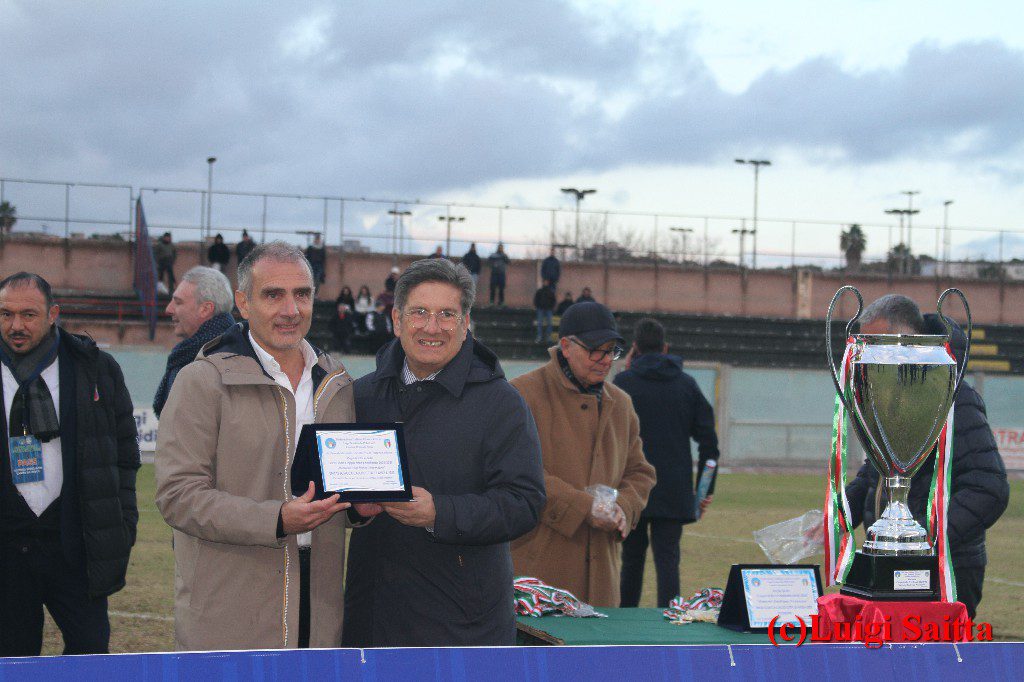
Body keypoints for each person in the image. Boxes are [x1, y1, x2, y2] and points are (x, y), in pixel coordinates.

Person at [156, 242, 365, 651]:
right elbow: (178, 496)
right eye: (273, 295)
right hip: (230, 610)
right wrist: (277, 519)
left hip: (319, 607)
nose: (291, 309)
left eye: (301, 294)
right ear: (243, 303)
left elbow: (336, 488)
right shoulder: (202, 381)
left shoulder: (337, 382)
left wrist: (358, 508)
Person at [342, 258, 545, 647]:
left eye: (446, 314)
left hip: (463, 625)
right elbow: (333, 490)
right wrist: (355, 509)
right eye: (419, 312)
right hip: (373, 618)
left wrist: (440, 513)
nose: (431, 327)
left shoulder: (501, 403)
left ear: (465, 324)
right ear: (397, 319)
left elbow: (524, 503)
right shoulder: (360, 395)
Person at [844, 294, 1009, 619]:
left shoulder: (955, 397)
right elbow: (876, 474)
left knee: (925, 652)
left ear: (907, 339)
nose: (867, 354)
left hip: (943, 572)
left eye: (876, 344)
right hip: (889, 565)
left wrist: (919, 540)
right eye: (864, 345)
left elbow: (988, 488)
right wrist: (835, 516)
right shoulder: (888, 391)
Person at [0, 273, 140, 656]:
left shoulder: (95, 368)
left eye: (28, 314)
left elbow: (125, 454)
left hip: (74, 544)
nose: (16, 325)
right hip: (8, 550)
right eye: (6, 314)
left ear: (53, 315)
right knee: (13, 660)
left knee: (90, 652)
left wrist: (123, 524)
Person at [510, 302, 655, 606]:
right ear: (565, 346)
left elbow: (640, 472)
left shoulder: (622, 403)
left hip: (603, 576)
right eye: (595, 351)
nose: (606, 360)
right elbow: (518, 472)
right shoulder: (522, 394)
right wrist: (585, 508)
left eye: (611, 351)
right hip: (539, 575)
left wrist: (623, 509)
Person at [613, 318, 720, 607]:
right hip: (674, 488)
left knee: (631, 561)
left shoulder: (623, 384)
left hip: (631, 487)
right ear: (665, 348)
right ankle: (670, 621)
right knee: (668, 561)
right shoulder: (686, 384)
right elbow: (709, 444)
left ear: (634, 348)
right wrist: (704, 491)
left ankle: (625, 622)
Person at [153, 266, 236, 418]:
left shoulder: (229, 361)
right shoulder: (185, 355)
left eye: (178, 302)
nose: (168, 309)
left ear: (205, 309)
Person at [534, 279, 556, 343]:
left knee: (549, 323)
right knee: (540, 323)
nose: (546, 283)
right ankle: (539, 336)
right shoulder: (540, 291)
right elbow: (536, 299)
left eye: (547, 282)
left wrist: (551, 307)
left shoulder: (550, 291)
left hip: (548, 309)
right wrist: (538, 306)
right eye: (545, 282)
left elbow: (553, 300)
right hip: (541, 308)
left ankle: (548, 337)